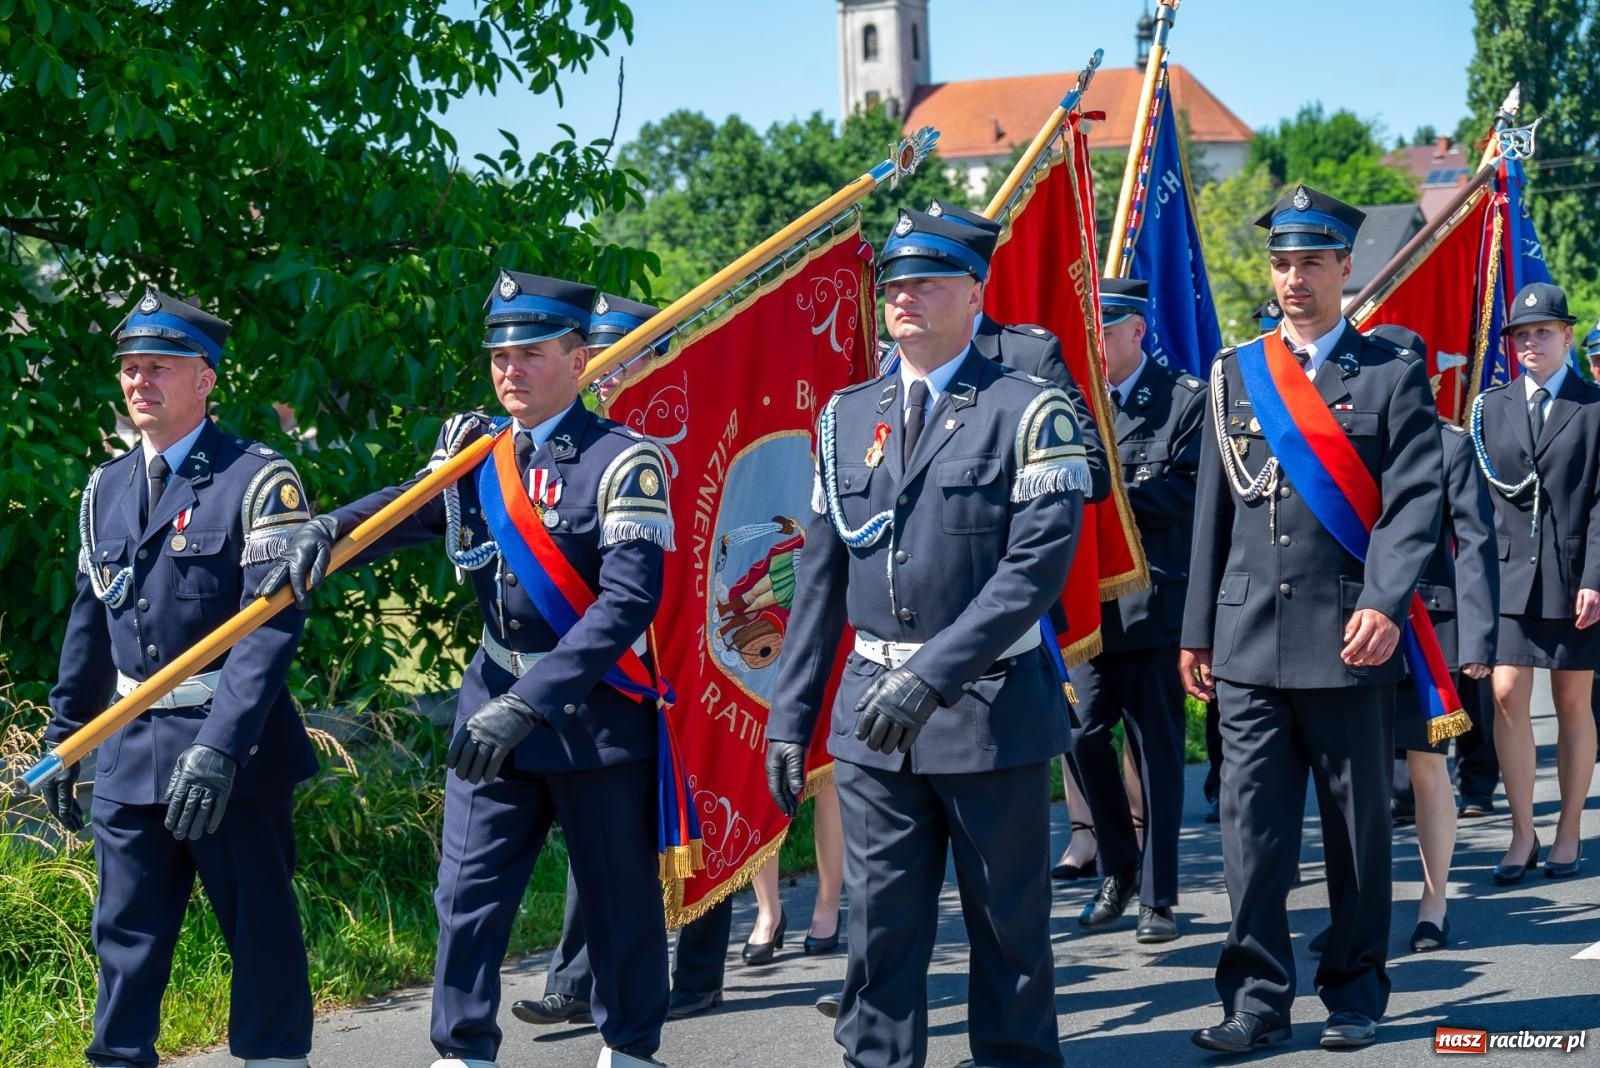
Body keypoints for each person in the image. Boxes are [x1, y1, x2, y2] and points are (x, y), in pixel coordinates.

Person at [264, 271, 675, 1068]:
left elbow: (625, 607)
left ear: (578, 357)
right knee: (465, 897)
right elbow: (408, 508)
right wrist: (330, 528)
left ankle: (629, 1048)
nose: (509, 369)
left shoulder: (624, 463)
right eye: (499, 355)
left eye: (529, 352)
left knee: (620, 902)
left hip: (592, 716)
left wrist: (530, 703)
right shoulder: (477, 452)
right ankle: (461, 1052)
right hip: (490, 695)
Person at [766, 207, 1088, 1068]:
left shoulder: (1029, 410)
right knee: (879, 934)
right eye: (894, 284)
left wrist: (935, 676)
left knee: (1008, 931)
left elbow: (1033, 572)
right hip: (874, 717)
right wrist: (789, 718)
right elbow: (821, 579)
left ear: (975, 294)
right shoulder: (845, 414)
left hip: (988, 712)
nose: (903, 297)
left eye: (927, 281)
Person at [1181, 185, 1444, 1053]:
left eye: (1310, 263)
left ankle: (1356, 990)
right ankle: (1256, 998)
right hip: (1249, 642)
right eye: (1281, 263)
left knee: (1357, 836)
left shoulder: (1392, 373)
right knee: (1250, 840)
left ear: (1344, 269)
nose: (1294, 278)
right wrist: (1196, 631)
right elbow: (1213, 514)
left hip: (1348, 640)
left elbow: (1412, 505)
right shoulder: (1233, 373)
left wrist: (1384, 601)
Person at [43, 286, 318, 1068]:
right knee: (123, 936)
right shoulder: (106, 488)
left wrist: (224, 748)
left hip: (236, 754)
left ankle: (272, 1060)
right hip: (130, 748)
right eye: (130, 368)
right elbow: (90, 622)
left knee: (260, 933)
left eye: (159, 367)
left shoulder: (260, 480)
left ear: (206, 378)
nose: (139, 383)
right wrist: (68, 737)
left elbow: (269, 633)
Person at [507, 292, 736, 1029]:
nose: (609, 372)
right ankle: (576, 979)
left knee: (695, 807)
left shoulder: (677, 425)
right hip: (600, 659)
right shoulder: (578, 440)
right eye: (598, 355)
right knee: (598, 829)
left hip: (684, 649)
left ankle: (698, 969)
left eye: (622, 353)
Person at [1070, 278, 1205, 944]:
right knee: (1081, 734)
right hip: (1089, 614)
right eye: (1088, 330)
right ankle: (1120, 865)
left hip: (1152, 608)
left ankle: (1159, 895)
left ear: (1135, 332)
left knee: (1156, 754)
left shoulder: (1181, 403)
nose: (1093, 343)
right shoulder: (1073, 406)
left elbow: (1185, 496)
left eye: (1104, 330)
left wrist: (1097, 504)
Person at [1371, 325, 1498, 951]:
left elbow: (1475, 544)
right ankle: (1359, 904)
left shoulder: (1449, 445)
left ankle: (1433, 900)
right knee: (1358, 776)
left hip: (1428, 629)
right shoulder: (1351, 438)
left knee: (1426, 771)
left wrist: (1477, 637)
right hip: (1355, 627)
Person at [1470, 282, 1600, 883]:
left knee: (1573, 702)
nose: (1530, 343)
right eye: (1521, 335)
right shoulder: (1489, 408)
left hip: (1574, 577)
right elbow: (1475, 505)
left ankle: (1569, 827)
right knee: (1504, 694)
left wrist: (1595, 577)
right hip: (1506, 578)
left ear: (1567, 337)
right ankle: (1523, 830)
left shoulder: (1593, 406)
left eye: (1543, 332)